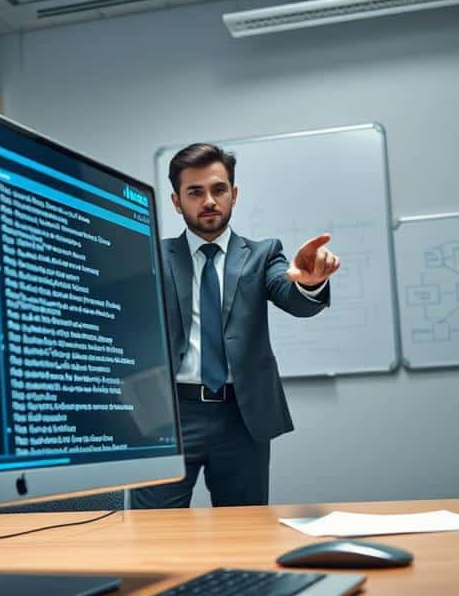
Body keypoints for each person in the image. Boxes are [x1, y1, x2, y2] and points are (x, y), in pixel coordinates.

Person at [131, 143, 339, 509]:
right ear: (177, 201)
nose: (208, 200)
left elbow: (293, 298)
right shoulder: (149, 255)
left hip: (241, 417)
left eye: (218, 189)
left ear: (234, 194)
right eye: (195, 192)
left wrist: (309, 281)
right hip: (167, 415)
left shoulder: (263, 255)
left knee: (247, 529)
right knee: (153, 530)